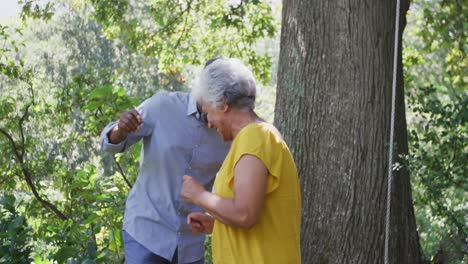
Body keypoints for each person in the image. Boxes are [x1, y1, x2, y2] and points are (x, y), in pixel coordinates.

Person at [100, 59, 230, 264]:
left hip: (191, 245)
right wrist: (120, 129)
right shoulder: (162, 106)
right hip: (146, 233)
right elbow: (110, 144)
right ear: (202, 87)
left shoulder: (227, 131)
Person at [180, 58, 301, 264]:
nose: (209, 123)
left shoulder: (255, 137)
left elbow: (245, 214)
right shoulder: (254, 138)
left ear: (223, 103)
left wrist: (199, 195)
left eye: (208, 112)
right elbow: (255, 217)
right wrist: (216, 226)